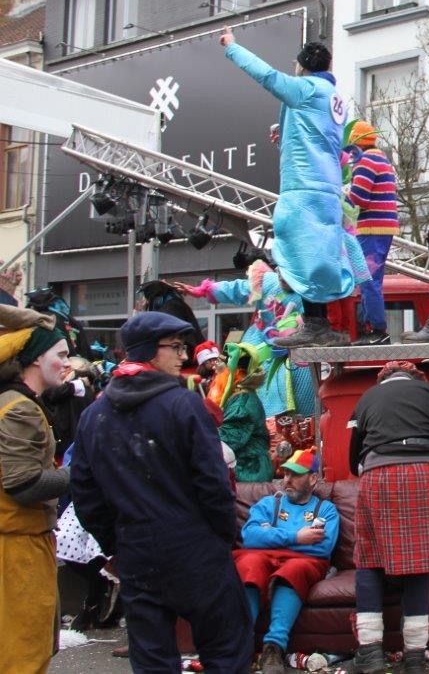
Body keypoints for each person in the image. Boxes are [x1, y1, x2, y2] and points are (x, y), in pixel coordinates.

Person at [70, 312, 252, 673]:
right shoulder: (184, 405)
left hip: (136, 550)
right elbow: (213, 483)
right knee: (226, 649)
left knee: (151, 658)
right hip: (196, 547)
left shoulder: (94, 414)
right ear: (150, 351)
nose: (184, 356)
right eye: (176, 347)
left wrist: (116, 543)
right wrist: (221, 535)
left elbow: (85, 494)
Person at [219, 26, 355, 348]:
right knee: (318, 257)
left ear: (303, 65)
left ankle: (316, 326)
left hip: (303, 187)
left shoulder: (305, 88)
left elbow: (266, 76)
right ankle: (320, 324)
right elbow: (322, 139)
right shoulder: (334, 98)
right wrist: (287, 133)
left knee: (297, 252)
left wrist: (232, 46)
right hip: (326, 188)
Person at [347, 361, 429, 674]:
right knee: (419, 564)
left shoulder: (367, 398)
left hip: (378, 478)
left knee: (369, 560)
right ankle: (414, 657)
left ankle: (370, 652)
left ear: (383, 379)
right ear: (415, 377)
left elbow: (353, 461)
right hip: (423, 476)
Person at [170, 259, 319, 435]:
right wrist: (205, 290)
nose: (282, 277)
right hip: (258, 354)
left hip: (291, 360)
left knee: (302, 402)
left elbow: (237, 289)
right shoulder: (274, 283)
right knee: (241, 396)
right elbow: (238, 289)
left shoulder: (311, 296)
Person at [0, 307, 71, 673]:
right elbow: (24, 485)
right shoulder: (19, 409)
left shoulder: (15, 402)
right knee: (21, 657)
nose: (67, 363)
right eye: (60, 354)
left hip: (20, 546)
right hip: (16, 552)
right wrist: (82, 472)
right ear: (35, 359)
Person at [233, 448, 339, 674]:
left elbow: (322, 547)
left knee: (294, 569)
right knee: (249, 564)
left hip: (303, 561)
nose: (287, 479)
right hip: (262, 558)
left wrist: (270, 535)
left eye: (295, 474)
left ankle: (274, 648)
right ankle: (240, 644)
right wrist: (296, 537)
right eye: (286, 473)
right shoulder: (268, 504)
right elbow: (250, 537)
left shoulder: (326, 510)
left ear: (313, 479)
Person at [344, 120, 399, 346]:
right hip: (381, 227)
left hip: (372, 228)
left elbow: (359, 198)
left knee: (368, 280)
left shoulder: (366, 161)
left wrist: (343, 194)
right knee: (370, 280)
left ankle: (377, 330)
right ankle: (373, 329)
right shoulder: (381, 158)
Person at [218, 350, 273, 483]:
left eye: (225, 370)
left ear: (236, 372)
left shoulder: (242, 403)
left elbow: (228, 438)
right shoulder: (242, 397)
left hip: (249, 471)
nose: (220, 374)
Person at [40, 354, 100, 462]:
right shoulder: (85, 389)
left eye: (67, 367)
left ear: (72, 371)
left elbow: (48, 395)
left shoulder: (69, 389)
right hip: (81, 446)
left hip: (65, 448)